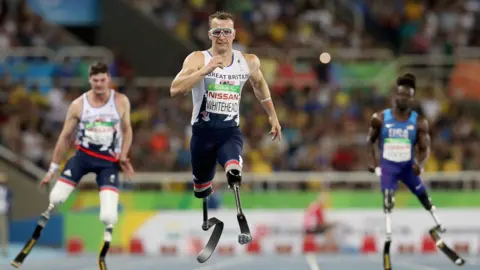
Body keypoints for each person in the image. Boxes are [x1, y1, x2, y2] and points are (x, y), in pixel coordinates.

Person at [170, 11, 281, 244]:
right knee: (201, 188)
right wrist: (205, 70)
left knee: (233, 169)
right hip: (202, 133)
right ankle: (206, 197)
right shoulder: (197, 59)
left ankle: (236, 184)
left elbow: (260, 84)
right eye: (217, 31)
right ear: (210, 34)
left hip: (230, 132)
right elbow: (175, 89)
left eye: (226, 31)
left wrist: (272, 115)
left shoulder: (247, 61)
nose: (222, 36)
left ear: (234, 34)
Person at [12, 62, 134, 267]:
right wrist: (52, 169)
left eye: (103, 80)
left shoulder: (120, 101)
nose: (99, 85)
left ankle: (103, 255)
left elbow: (128, 129)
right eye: (95, 81)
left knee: (108, 215)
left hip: (108, 162)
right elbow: (64, 137)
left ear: (108, 80)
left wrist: (123, 155)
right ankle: (33, 239)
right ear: (89, 80)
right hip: (83, 157)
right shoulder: (79, 104)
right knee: (56, 197)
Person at [367, 73, 444, 266]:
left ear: (412, 98)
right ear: (395, 95)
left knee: (423, 195)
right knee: (387, 199)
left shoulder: (419, 122)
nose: (403, 98)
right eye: (400, 94)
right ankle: (388, 236)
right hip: (389, 166)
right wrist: (373, 162)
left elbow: (425, 148)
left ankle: (438, 224)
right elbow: (370, 141)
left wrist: (421, 164)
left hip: (408, 167)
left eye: (407, 95)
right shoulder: (380, 118)